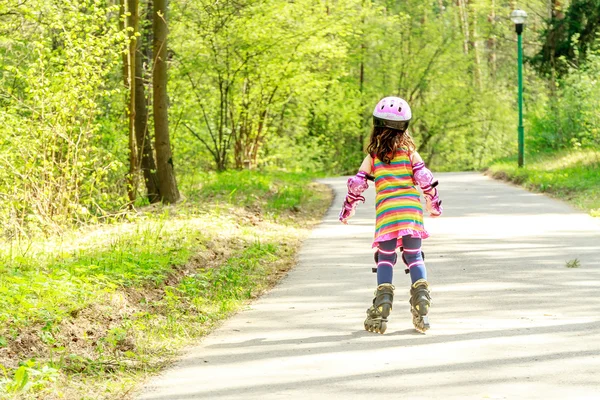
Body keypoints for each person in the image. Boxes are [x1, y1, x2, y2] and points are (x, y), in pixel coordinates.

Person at [339, 96, 443, 334]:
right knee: (414, 255)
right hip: (411, 213)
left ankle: (383, 302)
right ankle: (422, 298)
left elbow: (357, 184)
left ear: (377, 125)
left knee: (385, 258)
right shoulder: (409, 153)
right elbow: (425, 179)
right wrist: (433, 204)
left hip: (386, 214)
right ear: (405, 126)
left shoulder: (373, 156)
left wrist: (348, 209)